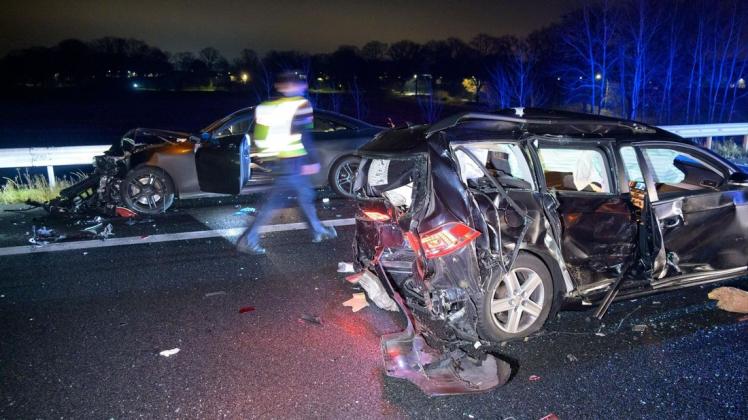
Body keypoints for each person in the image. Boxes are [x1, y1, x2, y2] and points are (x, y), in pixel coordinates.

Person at [236, 71, 337, 254]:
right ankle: (248, 239)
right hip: (295, 161)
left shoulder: (269, 106)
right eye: (301, 84)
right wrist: (311, 160)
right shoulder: (301, 105)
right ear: (293, 86)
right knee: (280, 201)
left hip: (279, 160)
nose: (304, 87)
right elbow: (304, 135)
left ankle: (318, 231)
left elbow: (261, 136)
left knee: (301, 197)